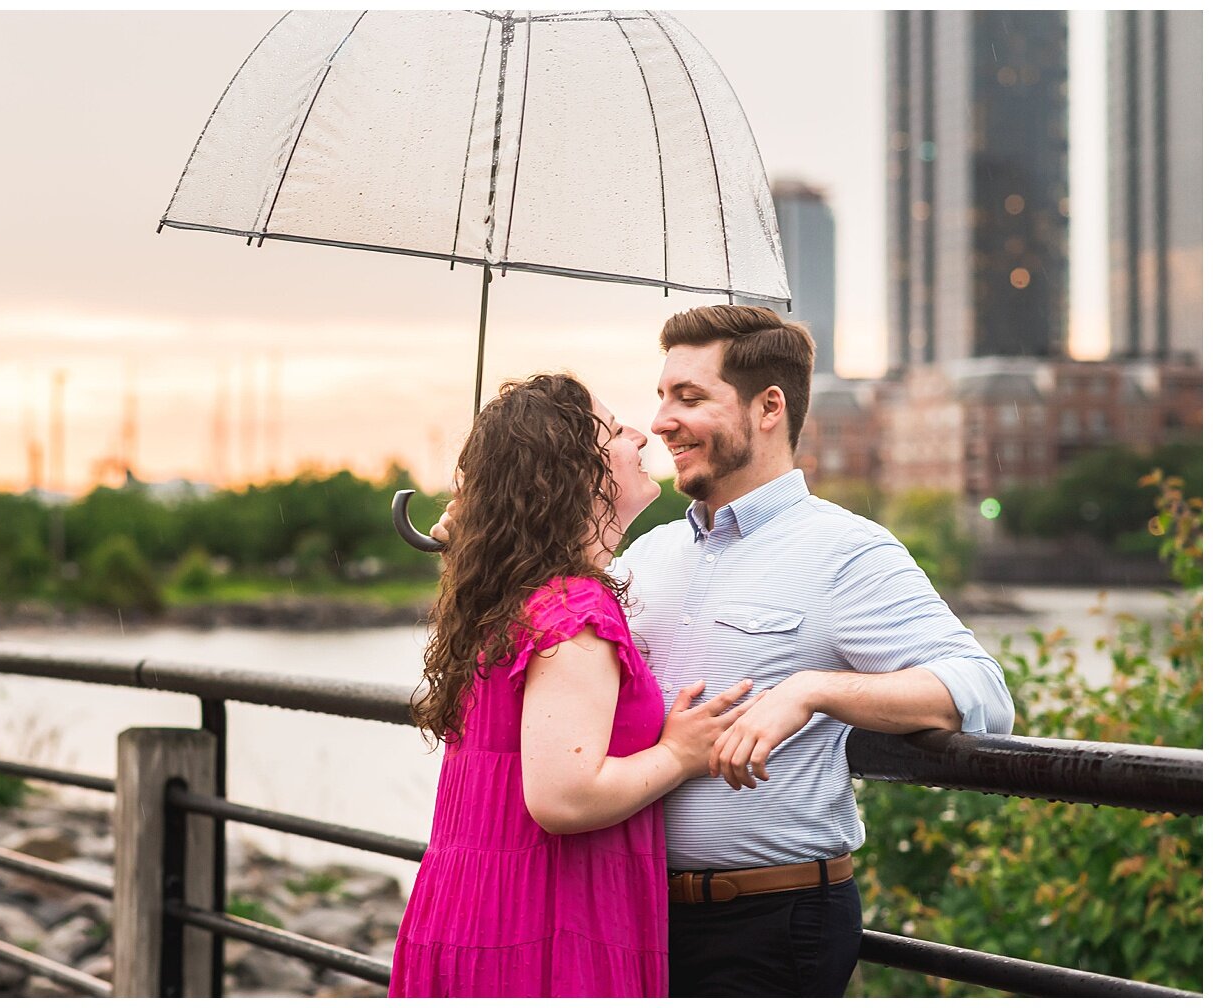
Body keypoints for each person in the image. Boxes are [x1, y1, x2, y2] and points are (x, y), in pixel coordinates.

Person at [430, 307, 1015, 997]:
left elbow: (981, 694)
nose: (661, 422)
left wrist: (812, 691)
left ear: (769, 408)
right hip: (625, 910)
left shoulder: (847, 552)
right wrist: (476, 525)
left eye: (690, 397)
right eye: (661, 395)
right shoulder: (643, 555)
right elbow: (538, 641)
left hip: (766, 922)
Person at [389, 373, 755, 998]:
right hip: (541, 934)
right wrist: (679, 753)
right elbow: (563, 798)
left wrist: (476, 535)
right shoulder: (573, 608)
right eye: (615, 431)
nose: (641, 435)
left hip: (479, 911)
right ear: (572, 473)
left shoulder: (506, 593)